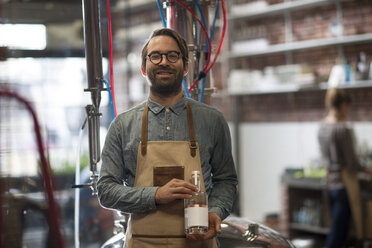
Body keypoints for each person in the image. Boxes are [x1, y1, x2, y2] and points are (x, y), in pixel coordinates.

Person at [97, 28, 238, 248]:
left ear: (185, 67)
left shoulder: (212, 120)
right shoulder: (122, 125)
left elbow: (226, 180)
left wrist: (216, 211)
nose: (164, 62)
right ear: (144, 68)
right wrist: (155, 195)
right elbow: (105, 190)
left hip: (198, 242)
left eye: (173, 56)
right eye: (155, 56)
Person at [318, 87, 372, 248]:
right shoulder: (342, 129)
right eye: (348, 107)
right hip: (343, 186)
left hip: (328, 183)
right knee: (339, 234)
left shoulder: (322, 127)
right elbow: (353, 163)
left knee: (335, 228)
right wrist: (368, 170)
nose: (348, 111)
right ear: (342, 105)